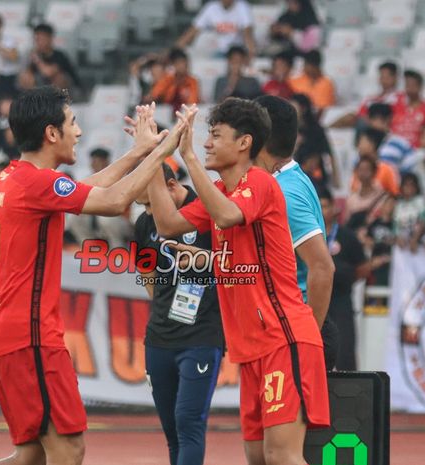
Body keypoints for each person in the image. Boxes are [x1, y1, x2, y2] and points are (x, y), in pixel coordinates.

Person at [0, 87, 186, 465]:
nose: (78, 132)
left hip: (6, 333)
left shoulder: (14, 178)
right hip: (31, 338)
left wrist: (140, 151)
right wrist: (162, 149)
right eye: (72, 124)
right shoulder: (37, 184)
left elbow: (92, 187)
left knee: (31, 455)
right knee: (68, 448)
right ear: (51, 133)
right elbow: (114, 202)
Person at [148, 100, 329, 465]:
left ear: (244, 143)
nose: (207, 143)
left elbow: (229, 216)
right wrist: (155, 157)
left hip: (283, 337)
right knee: (259, 457)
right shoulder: (221, 192)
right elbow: (166, 224)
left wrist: (189, 159)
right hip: (250, 349)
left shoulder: (259, 183)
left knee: (282, 455)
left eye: (215, 135)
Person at [134, 163, 224, 465]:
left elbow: (233, 266)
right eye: (143, 205)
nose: (148, 211)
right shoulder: (144, 224)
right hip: (158, 338)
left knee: (188, 423)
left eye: (150, 202)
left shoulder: (207, 211)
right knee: (172, 432)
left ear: (171, 187)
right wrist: (163, 302)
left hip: (201, 337)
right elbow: (145, 270)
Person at [253, 95, 337, 369]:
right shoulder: (285, 181)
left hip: (293, 330)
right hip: (281, 327)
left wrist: (306, 338)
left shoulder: (285, 193)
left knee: (292, 413)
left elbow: (323, 267)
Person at [318, 187, 368, 371]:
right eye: (319, 206)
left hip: (341, 298)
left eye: (326, 206)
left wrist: (344, 278)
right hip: (315, 298)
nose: (323, 211)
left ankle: (350, 394)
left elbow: (362, 267)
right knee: (318, 347)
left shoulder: (347, 236)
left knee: (345, 348)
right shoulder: (308, 234)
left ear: (334, 208)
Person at [332, 62, 400, 129]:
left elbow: (397, 117)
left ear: (395, 78)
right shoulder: (370, 98)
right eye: (382, 76)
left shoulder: (400, 97)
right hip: (366, 126)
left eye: (387, 77)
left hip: (384, 126)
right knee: (350, 116)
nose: (384, 80)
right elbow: (361, 115)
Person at [176, 0, 256, 57]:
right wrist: (175, 51)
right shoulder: (211, 7)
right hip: (218, 52)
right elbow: (192, 31)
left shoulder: (242, 6)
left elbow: (248, 34)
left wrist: (251, 54)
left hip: (237, 51)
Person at [19, 24, 82, 96]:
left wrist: (37, 59)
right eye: (37, 39)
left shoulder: (59, 55)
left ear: (50, 38)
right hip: (42, 88)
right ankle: (33, 102)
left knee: (58, 78)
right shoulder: (34, 54)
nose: (38, 42)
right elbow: (25, 76)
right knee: (26, 77)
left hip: (68, 91)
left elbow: (48, 72)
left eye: (41, 39)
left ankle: (56, 104)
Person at [290, 93, 337, 188]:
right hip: (291, 175)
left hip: (313, 176)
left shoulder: (315, 130)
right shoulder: (287, 130)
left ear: (303, 108)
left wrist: (336, 179)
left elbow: (326, 154)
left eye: (293, 107)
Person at [391, 70, 425, 147]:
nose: (409, 88)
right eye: (407, 85)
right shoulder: (395, 106)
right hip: (395, 150)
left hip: (417, 152)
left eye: (413, 85)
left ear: (420, 87)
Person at [366, 103, 418, 174]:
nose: (377, 123)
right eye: (374, 119)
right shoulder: (363, 144)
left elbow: (412, 167)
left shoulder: (401, 144)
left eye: (382, 119)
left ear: (389, 119)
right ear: (368, 121)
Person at [351, 128, 400, 196]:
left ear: (372, 145)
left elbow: (394, 194)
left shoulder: (386, 170)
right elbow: (353, 192)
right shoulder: (357, 169)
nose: (359, 146)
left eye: (362, 142)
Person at [345, 156, 389, 229]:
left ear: (374, 172)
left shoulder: (382, 196)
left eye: (367, 169)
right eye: (361, 169)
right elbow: (347, 222)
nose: (363, 173)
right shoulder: (351, 199)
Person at [393, 173, 425, 253]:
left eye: (412, 185)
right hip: (401, 242)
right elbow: (395, 226)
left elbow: (422, 221)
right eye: (406, 185)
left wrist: (414, 239)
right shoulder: (398, 204)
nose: (409, 188)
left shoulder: (421, 201)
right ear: (402, 187)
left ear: (416, 187)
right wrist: (397, 238)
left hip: (418, 238)